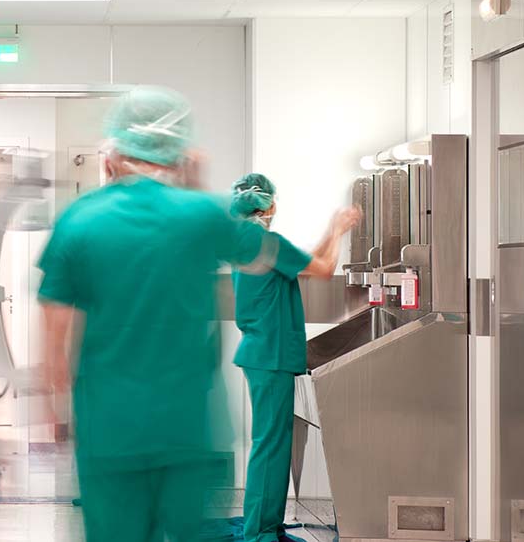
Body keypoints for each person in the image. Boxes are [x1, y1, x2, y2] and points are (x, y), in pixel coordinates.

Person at [37, 86, 288, 542]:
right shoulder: (201, 215)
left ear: (111, 155)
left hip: (110, 429)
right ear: (178, 154)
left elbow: (55, 338)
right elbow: (261, 257)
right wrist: (196, 186)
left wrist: (56, 412)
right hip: (186, 427)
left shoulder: (79, 220)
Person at [229, 173, 360, 542]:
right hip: (270, 353)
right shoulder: (266, 241)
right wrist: (338, 230)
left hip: (261, 350)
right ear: (269, 205)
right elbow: (324, 269)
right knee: (271, 446)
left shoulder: (248, 240)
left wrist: (331, 234)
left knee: (268, 442)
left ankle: (262, 523)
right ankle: (260, 530)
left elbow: (309, 261)